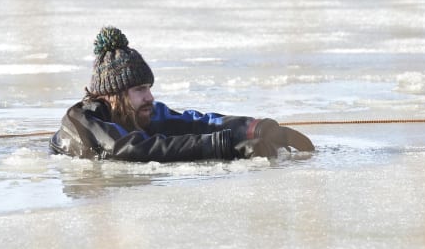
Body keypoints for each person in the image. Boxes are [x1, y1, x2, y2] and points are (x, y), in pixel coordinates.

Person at [49, 26, 315, 162]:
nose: (150, 97)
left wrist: (254, 129)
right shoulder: (81, 120)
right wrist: (226, 147)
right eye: (140, 90)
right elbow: (133, 150)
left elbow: (195, 122)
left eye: (149, 88)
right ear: (112, 95)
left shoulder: (140, 113)